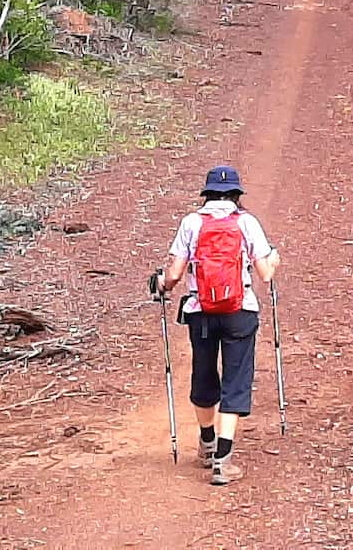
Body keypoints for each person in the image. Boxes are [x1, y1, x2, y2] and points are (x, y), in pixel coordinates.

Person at [152, 165, 280, 485]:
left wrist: (161, 284)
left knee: (204, 374)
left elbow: (175, 274)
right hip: (240, 311)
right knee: (235, 381)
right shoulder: (246, 223)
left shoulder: (191, 223)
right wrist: (274, 257)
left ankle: (207, 443)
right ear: (237, 195)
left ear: (206, 194)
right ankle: (224, 459)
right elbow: (265, 273)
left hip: (201, 311)